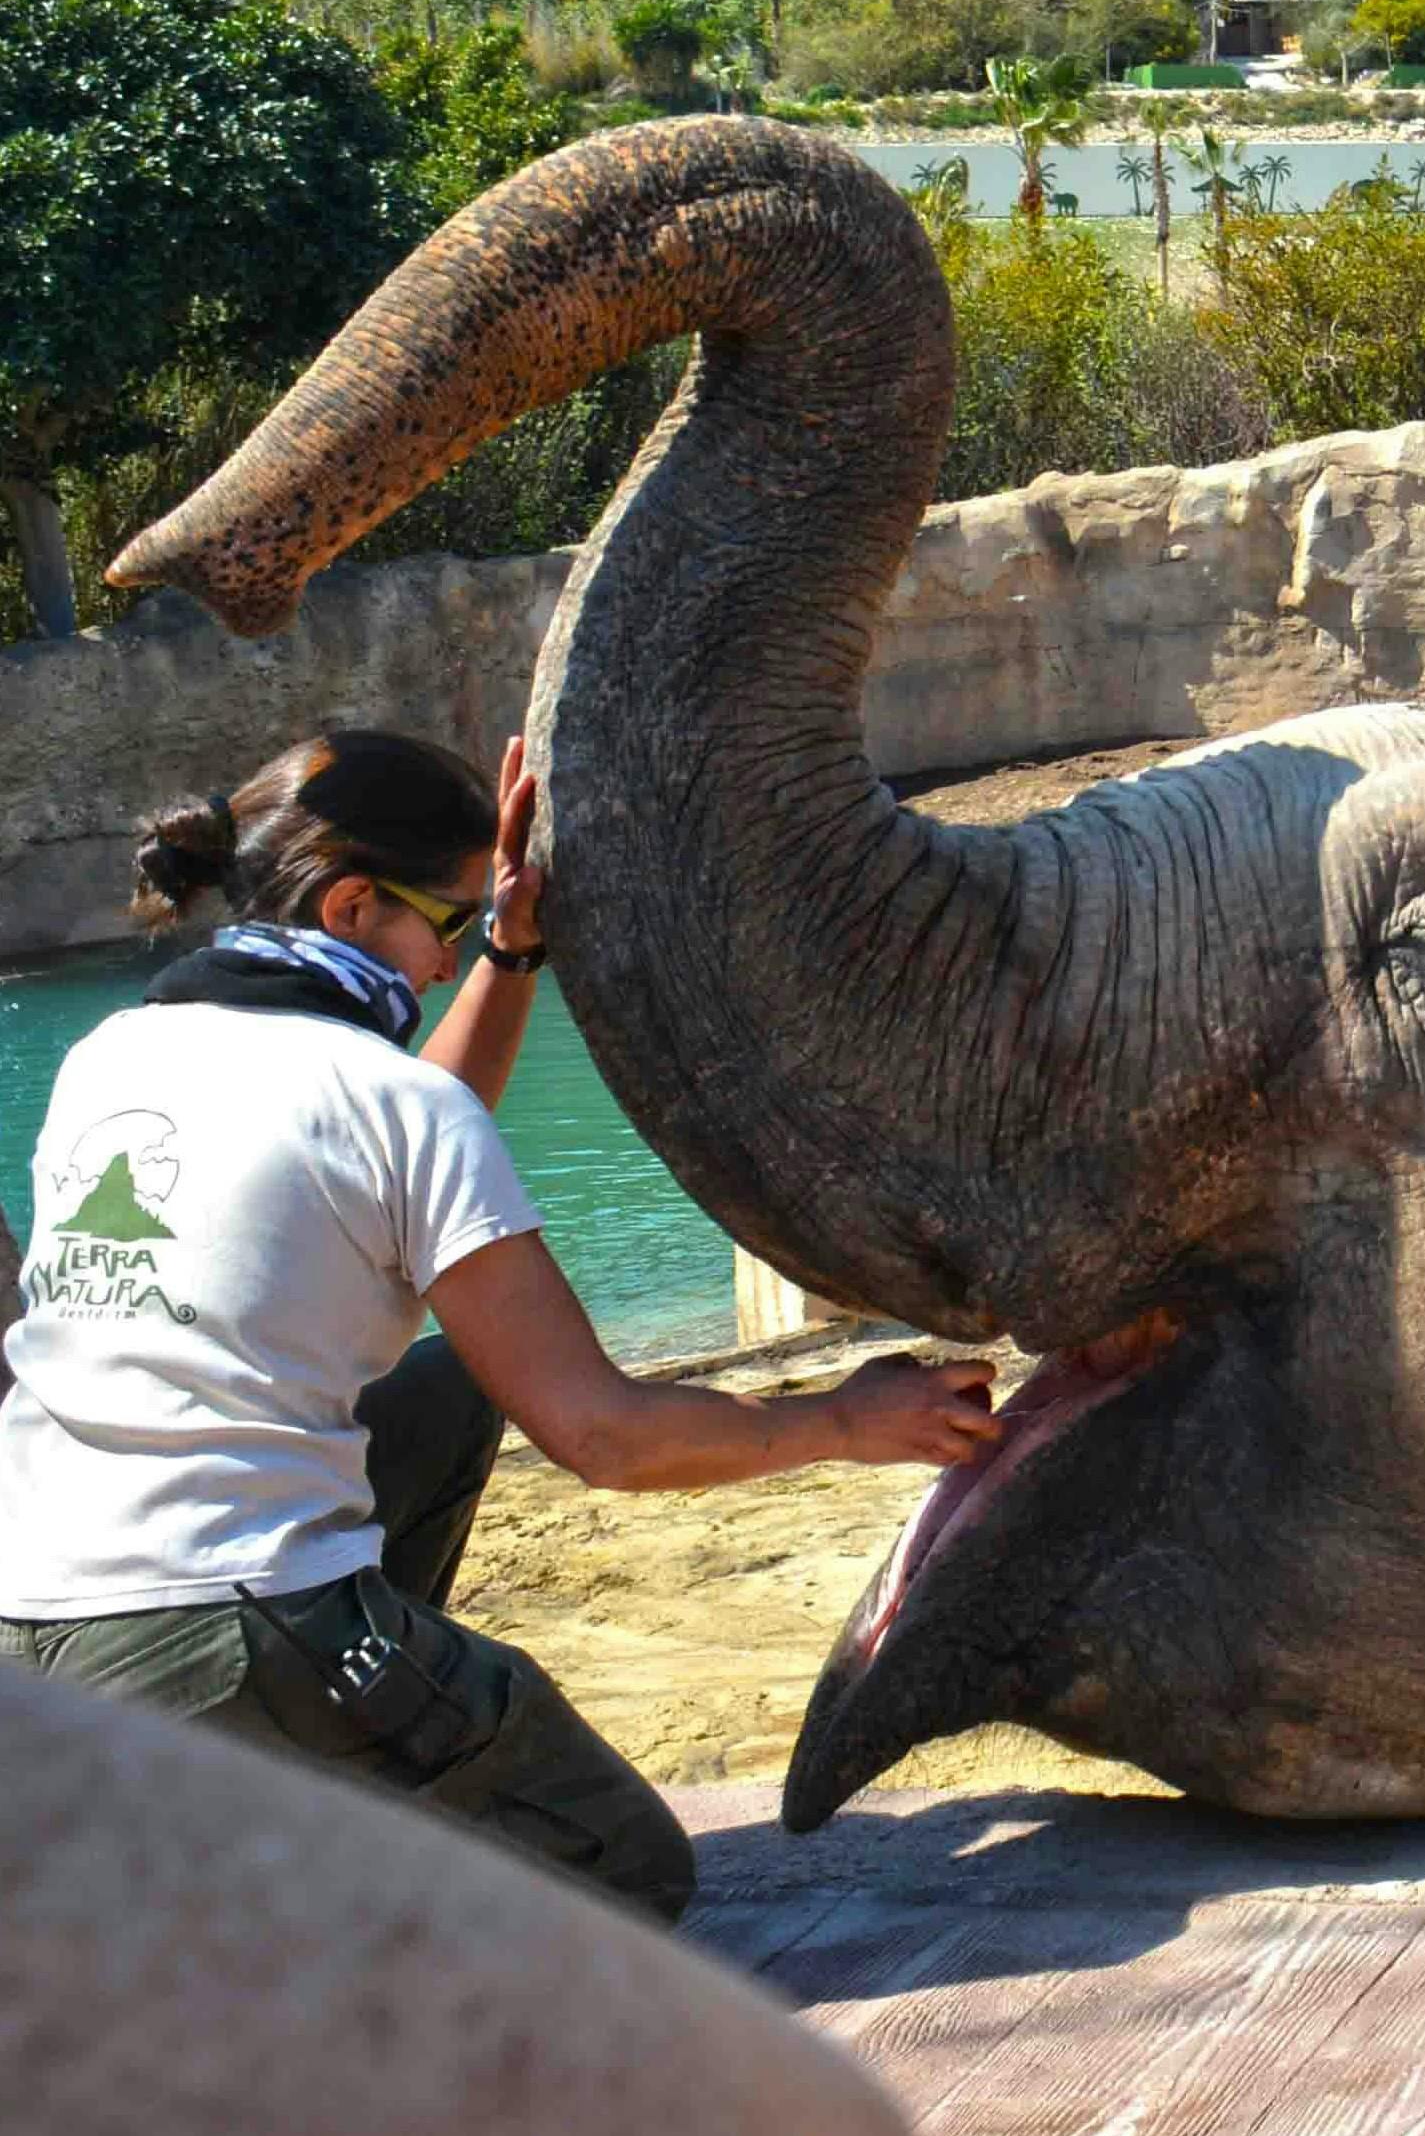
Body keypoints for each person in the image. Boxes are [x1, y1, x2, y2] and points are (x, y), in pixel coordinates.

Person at [0, 728, 1002, 1921]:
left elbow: (385, 1148)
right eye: (448, 919)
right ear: (354, 901)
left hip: (34, 1632)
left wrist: (510, 952)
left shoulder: (109, 1055)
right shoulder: (390, 1103)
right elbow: (604, 1435)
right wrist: (843, 1416)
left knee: (441, 1394)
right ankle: (275, 1892)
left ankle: (312, 1769)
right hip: (229, 1626)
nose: (444, 957)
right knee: (620, 1871)